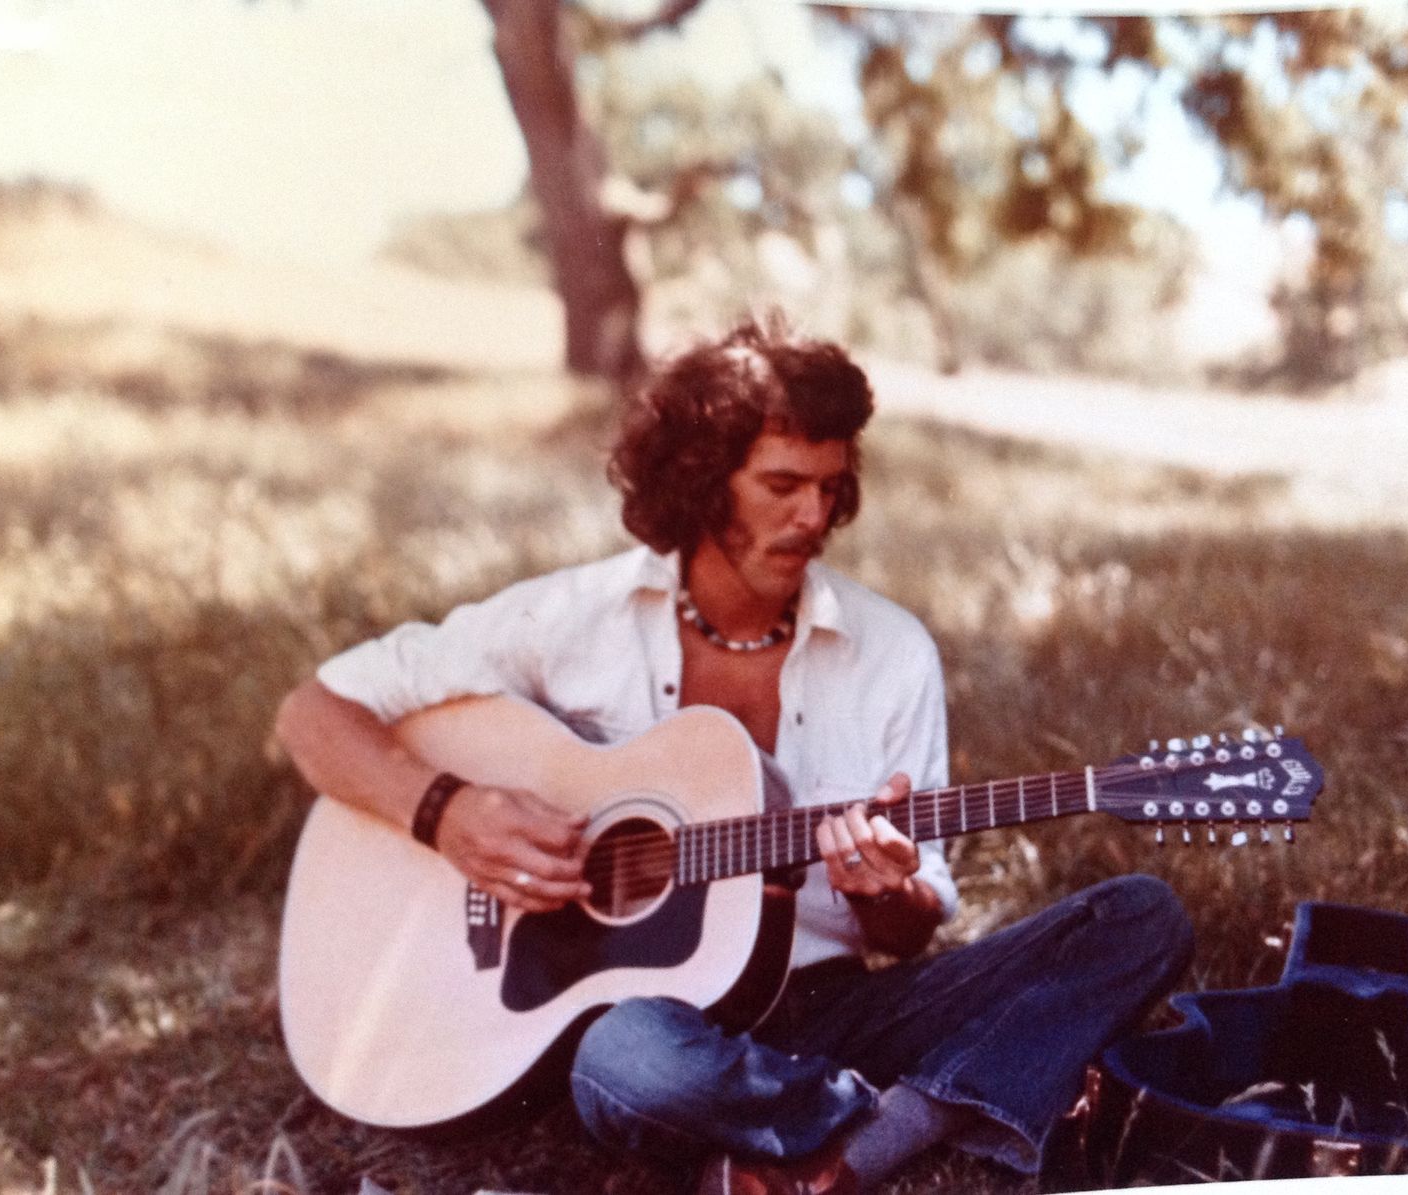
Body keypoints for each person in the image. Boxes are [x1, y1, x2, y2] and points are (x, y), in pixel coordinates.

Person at [275, 316, 1193, 1194]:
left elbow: (908, 933)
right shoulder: (573, 619)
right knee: (630, 1059)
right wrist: (449, 812)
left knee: (1140, 916)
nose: (814, 516)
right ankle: (910, 1111)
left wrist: (881, 890)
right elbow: (314, 712)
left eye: (831, 487)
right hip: (655, 1026)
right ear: (702, 479)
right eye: (782, 485)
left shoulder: (891, 652)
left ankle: (850, 1146)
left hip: (835, 1008)